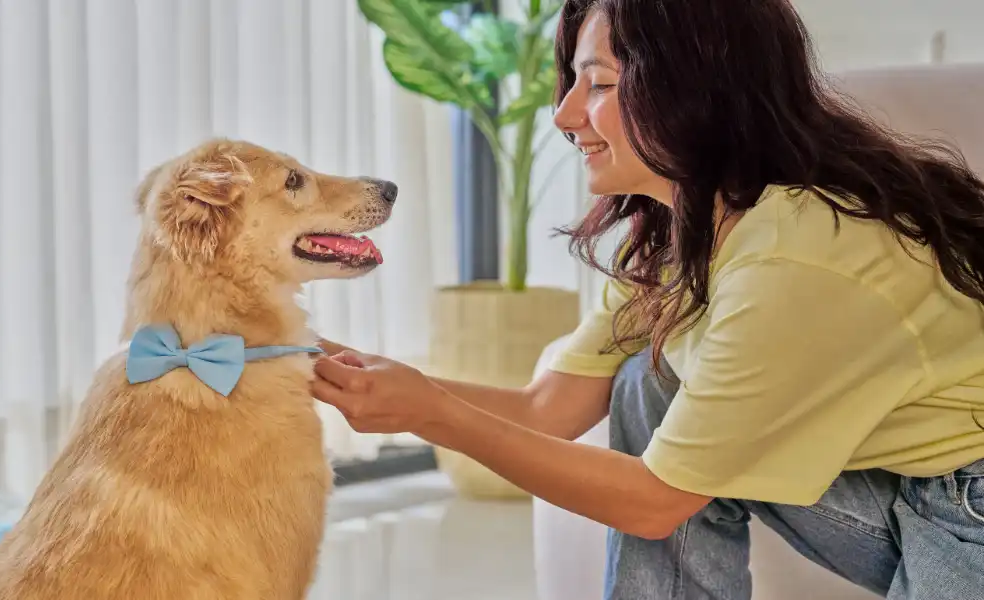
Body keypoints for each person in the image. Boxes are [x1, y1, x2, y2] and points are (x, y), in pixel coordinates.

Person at [312, 0, 984, 598]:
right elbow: (548, 409)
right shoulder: (683, 231)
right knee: (648, 379)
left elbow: (656, 502)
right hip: (908, 490)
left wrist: (431, 415)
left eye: (599, 83)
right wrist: (347, 371)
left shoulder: (795, 255)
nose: (566, 113)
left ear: (696, 90)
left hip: (972, 508)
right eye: (573, 81)